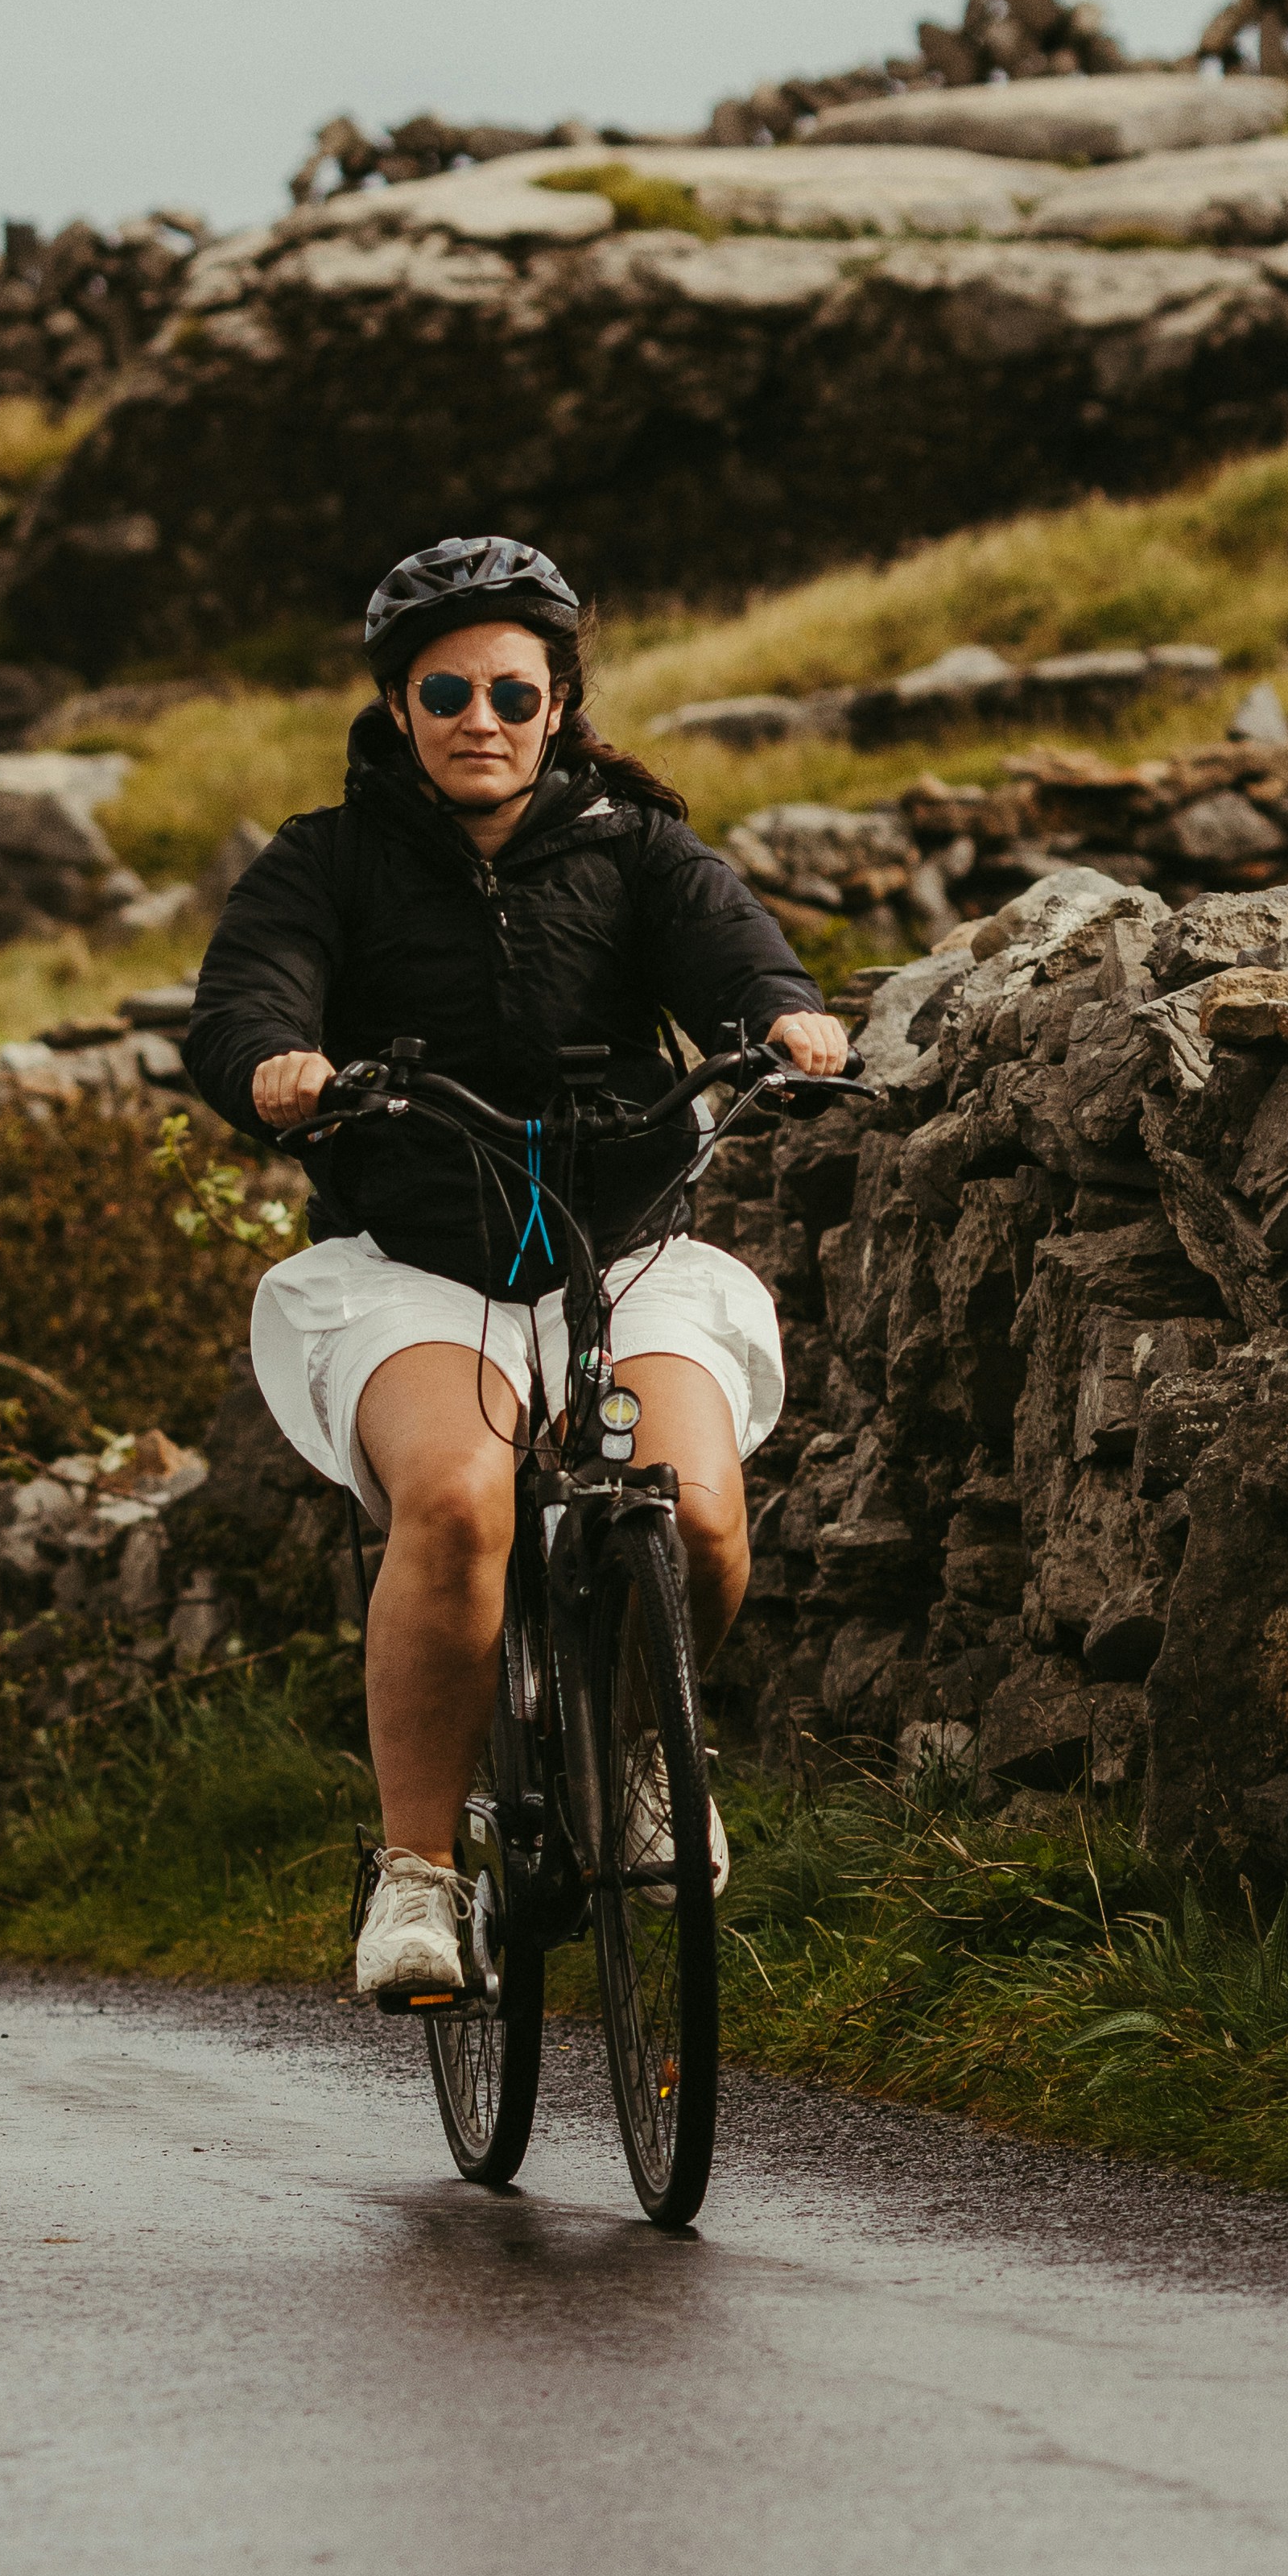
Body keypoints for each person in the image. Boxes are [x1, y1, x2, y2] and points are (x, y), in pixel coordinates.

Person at [181, 535, 848, 2003]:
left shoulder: (639, 850)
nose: (480, 717)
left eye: (511, 691)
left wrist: (786, 1023)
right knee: (459, 1499)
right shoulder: (325, 861)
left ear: (559, 704)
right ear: (399, 706)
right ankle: (417, 1880)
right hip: (416, 1262)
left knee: (698, 1519)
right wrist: (277, 1066)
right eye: (445, 691)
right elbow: (242, 1005)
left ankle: (644, 1765)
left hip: (628, 1246)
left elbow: (746, 964)